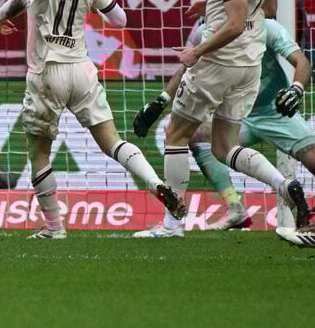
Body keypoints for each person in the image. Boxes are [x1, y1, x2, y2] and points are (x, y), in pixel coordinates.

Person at [0, 0, 185, 239]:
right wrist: (91, 2)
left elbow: (23, 0)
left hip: (47, 71)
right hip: (82, 69)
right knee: (112, 141)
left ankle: (54, 228)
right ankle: (155, 183)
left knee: (38, 153)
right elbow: (120, 20)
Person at [132, 0, 309, 239]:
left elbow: (234, 24)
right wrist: (213, 5)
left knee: (175, 135)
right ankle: (284, 184)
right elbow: (269, 7)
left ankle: (171, 224)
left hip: (218, 63)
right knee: (222, 148)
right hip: (249, 65)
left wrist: (197, 52)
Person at [133, 18, 313, 238]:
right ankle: (235, 206)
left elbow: (302, 62)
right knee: (199, 137)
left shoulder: (268, 27)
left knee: (311, 158)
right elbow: (186, 68)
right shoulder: (206, 32)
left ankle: (171, 225)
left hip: (274, 111)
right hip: (240, 113)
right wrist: (161, 100)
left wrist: (296, 89)